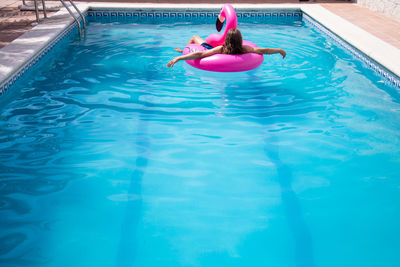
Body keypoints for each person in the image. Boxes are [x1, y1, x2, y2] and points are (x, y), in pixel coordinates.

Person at [167, 28, 286, 68]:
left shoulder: (220, 49)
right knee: (197, 39)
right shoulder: (244, 49)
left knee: (194, 37)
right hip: (221, 52)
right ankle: (183, 50)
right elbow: (263, 50)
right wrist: (279, 50)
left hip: (213, 51)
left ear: (227, 40)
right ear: (240, 39)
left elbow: (200, 54)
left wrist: (180, 57)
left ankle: (183, 48)